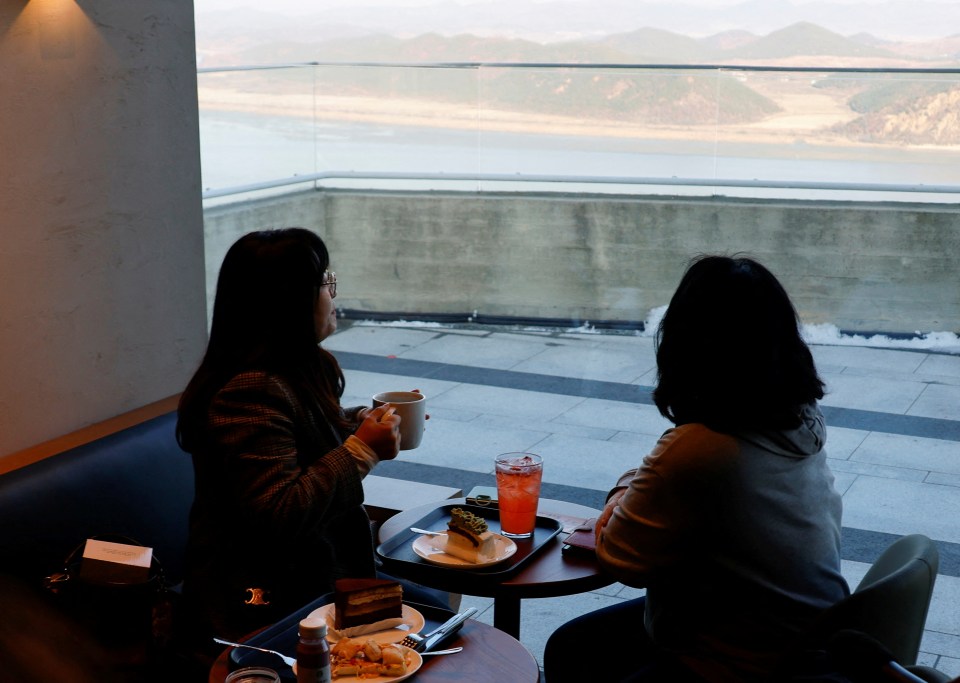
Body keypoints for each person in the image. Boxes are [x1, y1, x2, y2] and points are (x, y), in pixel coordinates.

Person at [544, 255, 850, 683]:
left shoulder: (702, 449)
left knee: (574, 650)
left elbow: (621, 558)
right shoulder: (800, 418)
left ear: (689, 344)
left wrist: (620, 491)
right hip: (811, 633)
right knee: (576, 644)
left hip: (748, 660)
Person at [176, 228, 440, 647]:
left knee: (443, 613)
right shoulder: (247, 390)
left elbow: (295, 437)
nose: (332, 295)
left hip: (318, 570)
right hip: (266, 596)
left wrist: (360, 423)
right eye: (324, 283)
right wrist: (363, 450)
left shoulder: (298, 366)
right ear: (288, 301)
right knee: (439, 624)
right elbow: (279, 511)